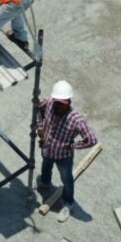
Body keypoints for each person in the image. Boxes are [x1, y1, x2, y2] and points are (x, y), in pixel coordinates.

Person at [35, 80, 98, 223]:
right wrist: (40, 128)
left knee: (67, 180)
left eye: (61, 104)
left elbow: (92, 139)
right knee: (46, 166)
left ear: (68, 102)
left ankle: (68, 203)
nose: (57, 106)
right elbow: (39, 108)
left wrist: (73, 146)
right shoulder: (50, 104)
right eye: (56, 102)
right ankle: (45, 182)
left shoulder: (76, 120)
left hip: (64, 157)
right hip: (47, 148)